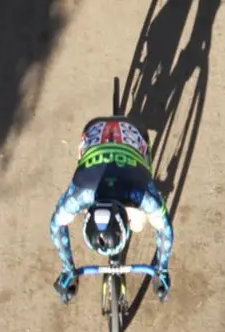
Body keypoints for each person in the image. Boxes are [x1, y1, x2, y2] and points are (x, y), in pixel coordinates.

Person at [50, 117, 173, 304]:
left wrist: (68, 270)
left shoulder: (81, 196)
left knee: (139, 224)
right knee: (142, 223)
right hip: (111, 131)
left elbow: (56, 226)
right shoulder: (140, 196)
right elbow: (165, 230)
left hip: (110, 132)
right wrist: (161, 271)